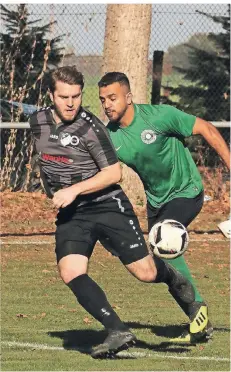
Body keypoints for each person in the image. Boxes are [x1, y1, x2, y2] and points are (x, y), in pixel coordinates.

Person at [29, 66, 200, 358]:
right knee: (70, 271)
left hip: (108, 206)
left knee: (145, 272)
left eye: (77, 96)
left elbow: (113, 173)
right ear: (50, 95)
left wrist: (73, 189)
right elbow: (46, 158)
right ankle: (117, 330)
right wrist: (52, 186)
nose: (71, 103)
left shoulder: (91, 127)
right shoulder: (38, 121)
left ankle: (173, 277)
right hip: (73, 214)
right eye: (64, 97)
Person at [98, 71, 230, 343]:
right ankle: (199, 322)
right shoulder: (110, 137)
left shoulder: (158, 116)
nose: (107, 104)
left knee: (166, 238)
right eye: (102, 100)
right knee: (163, 260)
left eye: (113, 97)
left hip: (187, 191)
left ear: (129, 97)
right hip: (156, 202)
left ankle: (199, 312)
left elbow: (206, 128)